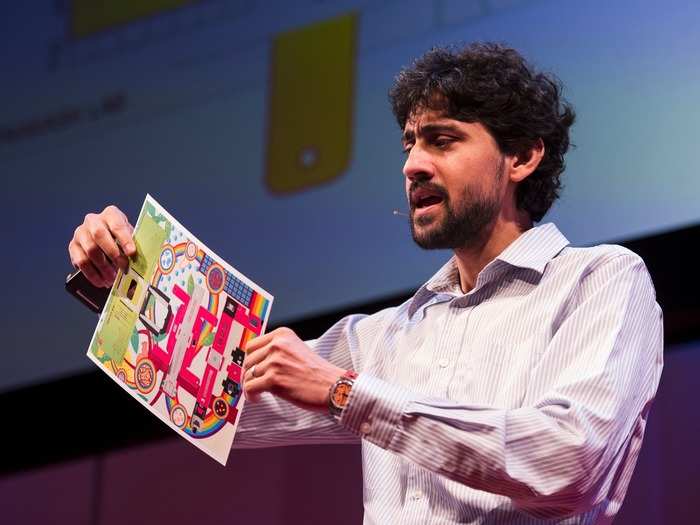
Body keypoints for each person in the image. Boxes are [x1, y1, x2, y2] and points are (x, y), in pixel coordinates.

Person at [68, 43, 663, 524]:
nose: (412, 164)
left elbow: (566, 461)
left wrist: (346, 393)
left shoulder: (600, 279)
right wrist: (125, 281)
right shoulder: (384, 337)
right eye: (409, 142)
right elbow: (220, 407)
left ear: (523, 156)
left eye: (443, 139)